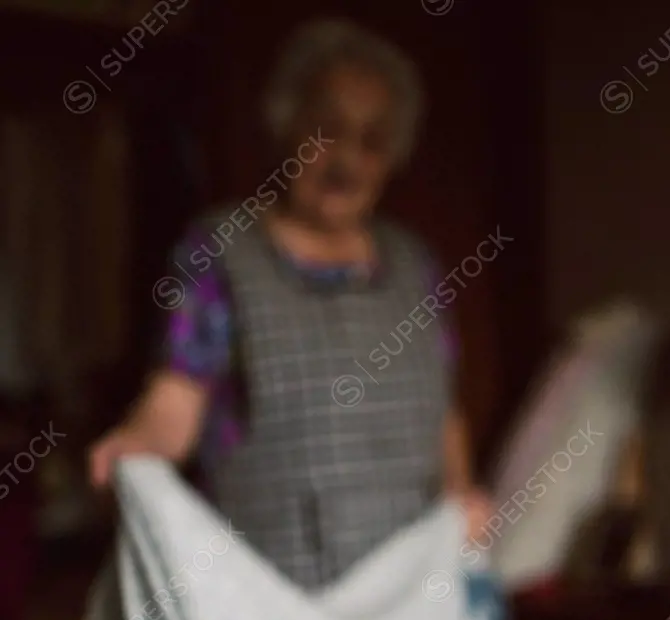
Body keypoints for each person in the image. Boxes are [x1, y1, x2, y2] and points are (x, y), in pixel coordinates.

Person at [90, 18, 491, 589]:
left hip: (408, 592)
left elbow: (445, 415)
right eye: (327, 130)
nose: (346, 161)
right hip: (275, 597)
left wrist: (461, 501)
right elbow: (176, 400)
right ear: (288, 125)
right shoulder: (219, 252)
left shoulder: (414, 263)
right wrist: (133, 449)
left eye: (372, 141)